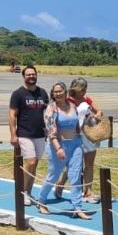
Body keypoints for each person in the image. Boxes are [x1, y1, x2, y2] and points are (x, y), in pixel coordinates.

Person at [38, 82, 91, 219]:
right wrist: (58, 149)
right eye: (56, 92)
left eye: (60, 91)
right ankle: (42, 201)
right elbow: (51, 132)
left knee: (75, 175)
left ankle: (77, 207)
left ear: (65, 91)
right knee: (53, 175)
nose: (58, 94)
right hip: (58, 146)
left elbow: (78, 123)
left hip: (75, 144)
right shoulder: (51, 109)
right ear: (52, 94)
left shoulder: (72, 106)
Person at [53, 78, 104, 201]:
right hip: (73, 135)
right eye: (80, 89)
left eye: (83, 89)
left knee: (89, 164)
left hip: (88, 134)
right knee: (73, 163)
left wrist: (96, 116)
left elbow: (99, 111)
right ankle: (60, 184)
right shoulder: (68, 101)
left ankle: (88, 192)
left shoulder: (87, 100)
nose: (82, 91)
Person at [8, 65, 49, 206]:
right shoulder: (18, 94)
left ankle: (29, 192)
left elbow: (48, 113)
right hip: (24, 133)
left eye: (33, 74)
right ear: (23, 76)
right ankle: (22, 191)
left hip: (40, 134)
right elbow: (12, 114)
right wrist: (13, 134)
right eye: (28, 75)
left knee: (35, 165)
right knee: (30, 162)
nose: (31, 77)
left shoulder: (43, 93)